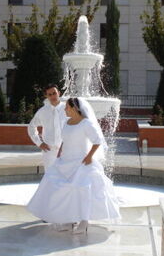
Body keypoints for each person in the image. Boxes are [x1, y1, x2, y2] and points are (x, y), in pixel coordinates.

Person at [27, 97, 121, 234]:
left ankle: (84, 221)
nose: (65, 109)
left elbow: (97, 141)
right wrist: (60, 150)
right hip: (64, 161)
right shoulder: (67, 122)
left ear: (74, 108)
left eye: (67, 108)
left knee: (81, 190)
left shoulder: (86, 124)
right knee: (59, 187)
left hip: (81, 162)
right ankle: (68, 221)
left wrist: (89, 157)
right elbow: (65, 139)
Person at [27, 84, 67, 169]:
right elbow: (31, 127)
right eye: (50, 94)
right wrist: (39, 143)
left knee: (66, 176)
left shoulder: (67, 108)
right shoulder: (43, 111)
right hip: (49, 150)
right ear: (46, 96)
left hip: (66, 149)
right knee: (49, 176)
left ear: (59, 93)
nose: (53, 96)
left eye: (54, 93)